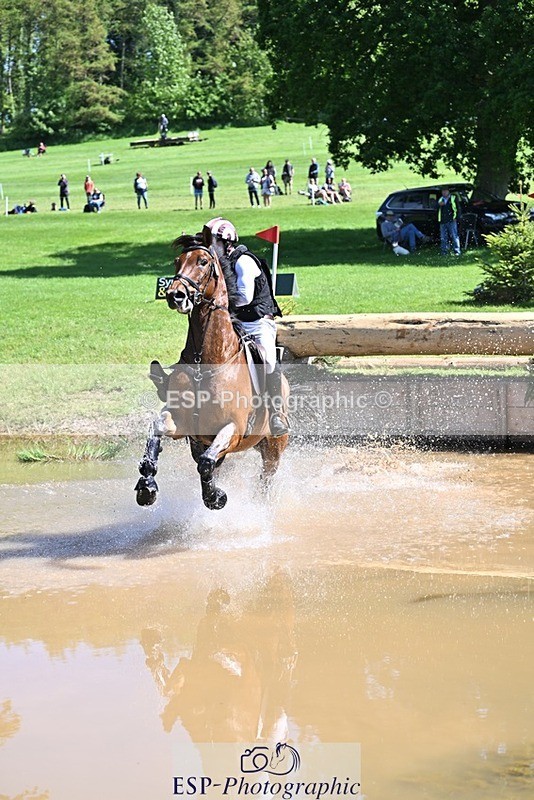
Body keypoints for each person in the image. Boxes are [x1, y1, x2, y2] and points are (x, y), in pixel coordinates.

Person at [203, 217, 289, 437]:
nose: (210, 246)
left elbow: (243, 297)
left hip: (257, 323)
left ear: (226, 242)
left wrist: (218, 303)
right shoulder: (218, 263)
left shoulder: (243, 261)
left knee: (268, 360)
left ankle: (276, 413)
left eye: (213, 241)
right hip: (234, 321)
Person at [438, 187, 461, 256]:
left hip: (452, 220)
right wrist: (439, 205)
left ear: (448, 191)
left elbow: (458, 208)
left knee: (454, 236)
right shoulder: (440, 199)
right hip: (443, 221)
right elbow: (436, 207)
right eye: (443, 191)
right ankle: (444, 252)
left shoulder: (453, 198)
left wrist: (456, 217)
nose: (444, 192)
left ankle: (457, 251)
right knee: (443, 237)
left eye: (445, 191)